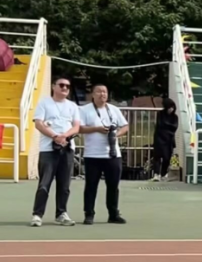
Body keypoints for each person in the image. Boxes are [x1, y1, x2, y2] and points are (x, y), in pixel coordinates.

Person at [31, 77, 81, 227]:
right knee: (44, 184)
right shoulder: (44, 103)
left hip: (67, 148)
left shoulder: (72, 106)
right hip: (48, 149)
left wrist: (64, 136)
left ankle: (61, 213)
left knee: (64, 185)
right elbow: (38, 124)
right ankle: (37, 214)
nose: (65, 88)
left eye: (67, 86)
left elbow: (76, 127)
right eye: (61, 85)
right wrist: (54, 136)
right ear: (54, 86)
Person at [79, 84, 129, 225]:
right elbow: (79, 128)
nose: (102, 94)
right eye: (99, 92)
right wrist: (97, 129)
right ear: (93, 94)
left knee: (113, 186)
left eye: (104, 92)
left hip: (113, 154)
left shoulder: (114, 109)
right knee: (91, 185)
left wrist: (116, 134)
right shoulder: (84, 110)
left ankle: (113, 214)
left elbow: (125, 126)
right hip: (93, 154)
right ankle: (89, 214)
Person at [151, 99, 179, 182]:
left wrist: (166, 126)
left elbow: (174, 127)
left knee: (167, 158)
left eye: (172, 107)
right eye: (169, 107)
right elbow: (160, 125)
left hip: (169, 140)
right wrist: (168, 127)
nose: (171, 109)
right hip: (159, 138)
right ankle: (156, 174)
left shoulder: (175, 117)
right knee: (157, 157)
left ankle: (163, 173)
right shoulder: (160, 114)